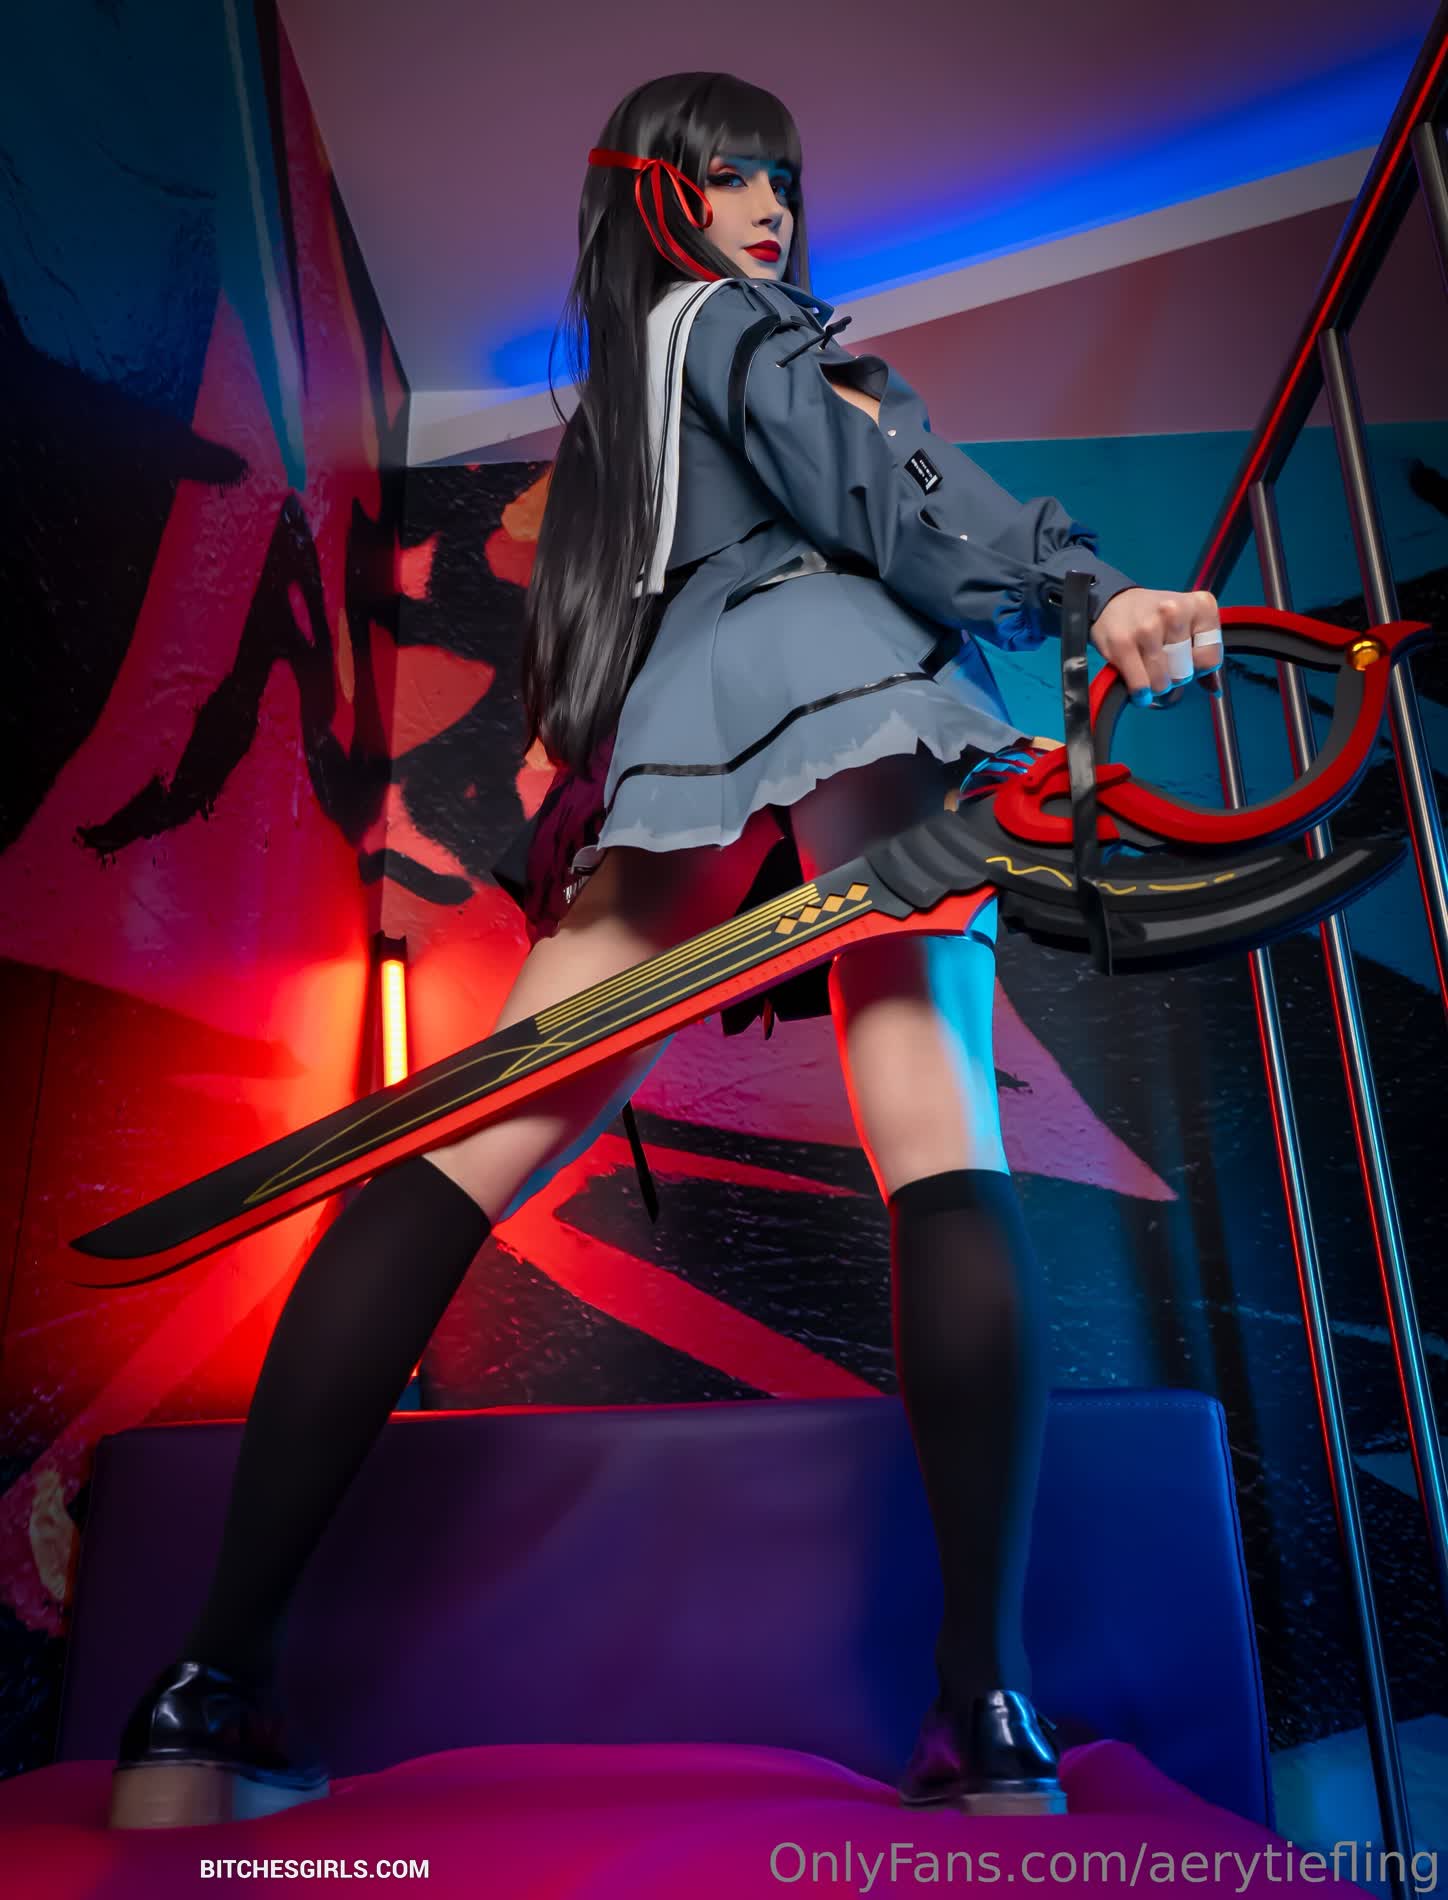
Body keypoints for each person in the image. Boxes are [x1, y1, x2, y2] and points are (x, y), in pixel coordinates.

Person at [107, 70, 1222, 1829]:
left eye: (784, 178)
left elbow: (626, 645)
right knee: (940, 1137)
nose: (771, 205)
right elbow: (888, 478)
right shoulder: (744, 325)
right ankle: (991, 1710)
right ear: (659, 195)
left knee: (463, 1156)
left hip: (684, 739)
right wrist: (1093, 590)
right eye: (731, 174)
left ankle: (201, 1687)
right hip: (857, 697)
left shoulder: (631, 393)